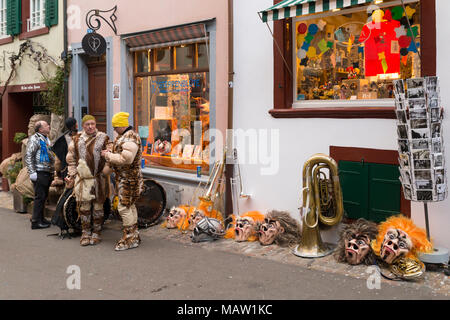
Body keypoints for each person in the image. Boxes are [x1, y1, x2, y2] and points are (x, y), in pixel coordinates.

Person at [66, 115, 111, 246]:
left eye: (93, 124)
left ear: (95, 124)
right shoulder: (76, 139)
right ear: (82, 126)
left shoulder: (104, 138)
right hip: (83, 179)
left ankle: (97, 232)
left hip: (99, 179)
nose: (90, 127)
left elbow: (111, 155)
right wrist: (72, 174)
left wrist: (105, 171)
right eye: (87, 124)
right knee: (84, 207)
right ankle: (85, 232)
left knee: (98, 207)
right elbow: (71, 159)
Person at [102, 112, 143, 251]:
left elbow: (127, 159)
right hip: (126, 178)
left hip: (129, 179)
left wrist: (108, 155)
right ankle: (134, 235)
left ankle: (129, 237)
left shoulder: (130, 137)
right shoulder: (123, 136)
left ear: (121, 125)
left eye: (115, 126)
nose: (114, 129)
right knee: (129, 205)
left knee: (124, 207)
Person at [25, 120, 56, 229]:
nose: (49, 126)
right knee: (40, 197)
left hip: (47, 171)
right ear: (40, 129)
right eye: (46, 125)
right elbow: (29, 155)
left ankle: (41, 219)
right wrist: (32, 172)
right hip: (39, 171)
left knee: (43, 197)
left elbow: (50, 154)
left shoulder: (46, 138)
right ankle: (35, 221)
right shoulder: (35, 139)